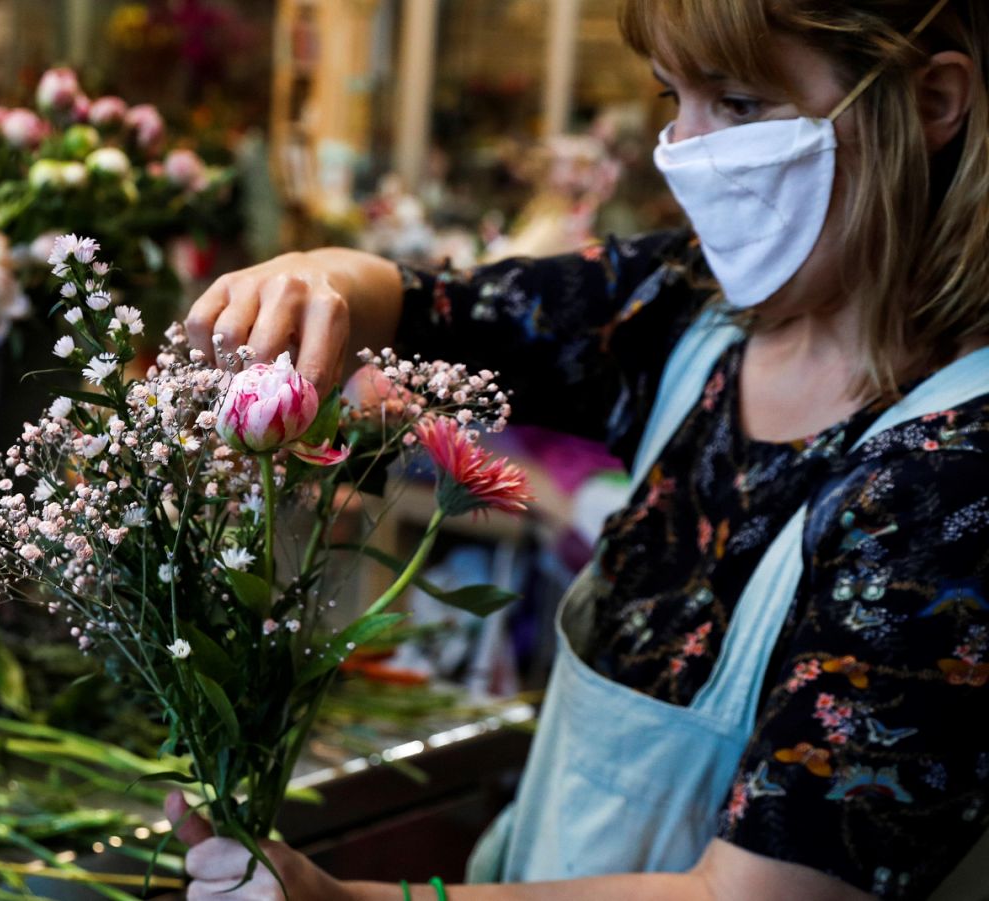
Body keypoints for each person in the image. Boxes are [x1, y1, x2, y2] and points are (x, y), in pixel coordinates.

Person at [169, 1, 989, 898]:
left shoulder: (953, 478)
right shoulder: (686, 310)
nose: (688, 150)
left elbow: (756, 894)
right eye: (675, 97)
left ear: (931, 101)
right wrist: (318, 278)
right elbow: (435, 306)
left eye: (742, 104)